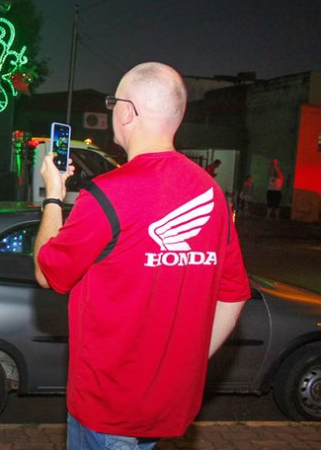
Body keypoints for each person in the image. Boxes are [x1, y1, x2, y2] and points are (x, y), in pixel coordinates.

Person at [33, 62, 250, 448]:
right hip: (166, 409)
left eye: (113, 101)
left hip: (105, 410)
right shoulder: (211, 195)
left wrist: (52, 194)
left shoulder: (107, 194)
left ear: (127, 111)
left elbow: (47, 273)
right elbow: (232, 299)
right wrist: (183, 365)